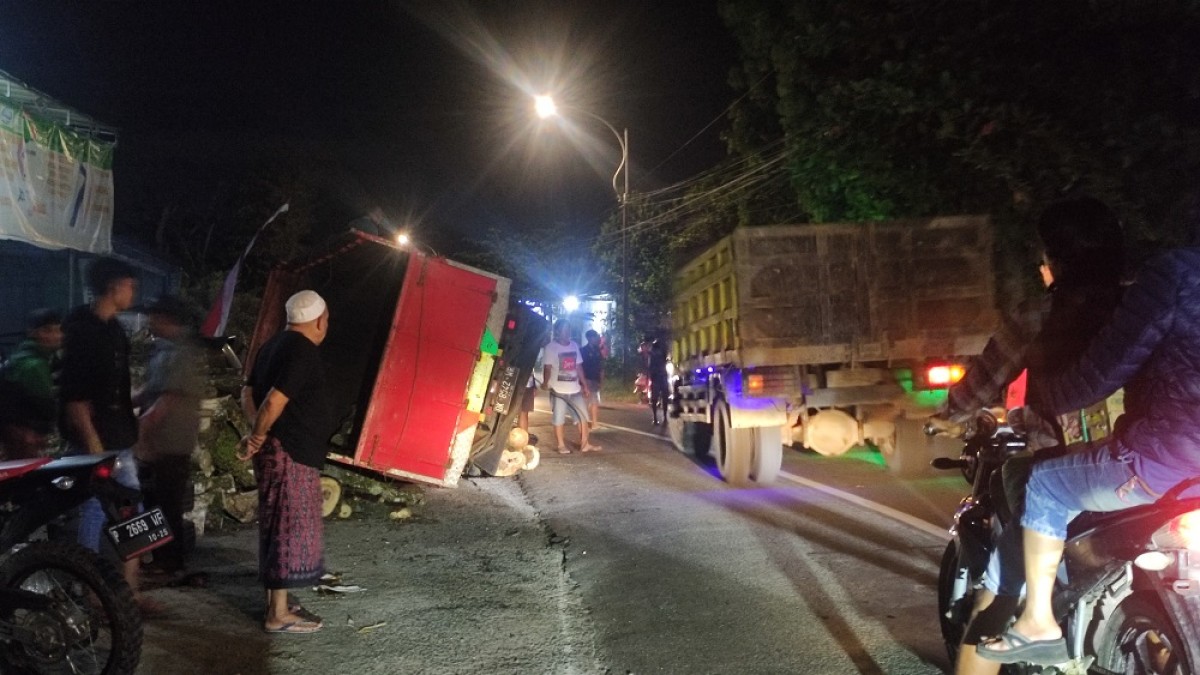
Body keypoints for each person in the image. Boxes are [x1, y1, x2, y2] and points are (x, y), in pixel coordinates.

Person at [978, 206, 1200, 665]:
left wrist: (1045, 399)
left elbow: (1102, 372)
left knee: (1043, 485)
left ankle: (1036, 622)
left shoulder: (1173, 275)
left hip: (1164, 460)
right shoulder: (1129, 290)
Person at [939, 197, 1125, 674]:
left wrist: (949, 415)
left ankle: (1032, 623)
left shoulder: (1040, 315)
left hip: (1073, 476)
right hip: (1153, 473)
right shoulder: (1141, 309)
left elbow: (983, 379)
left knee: (996, 597)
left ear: (1055, 263)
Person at [59, 258, 154, 609]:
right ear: (114, 286)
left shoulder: (113, 330)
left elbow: (114, 390)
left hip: (118, 440)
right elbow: (75, 400)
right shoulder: (83, 331)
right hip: (96, 443)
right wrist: (97, 451)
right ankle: (89, 591)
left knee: (134, 512)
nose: (134, 292)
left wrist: (132, 433)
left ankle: (129, 592)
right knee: (95, 512)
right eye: (130, 285)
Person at [239, 290, 334, 634]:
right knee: (284, 527)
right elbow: (273, 401)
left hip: (280, 449)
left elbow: (246, 394)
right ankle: (277, 614)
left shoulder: (271, 346)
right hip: (289, 452)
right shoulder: (302, 350)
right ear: (321, 320)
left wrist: (255, 433)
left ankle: (275, 602)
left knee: (276, 522)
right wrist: (259, 434)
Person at [133, 296, 206, 580]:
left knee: (167, 503)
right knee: (156, 501)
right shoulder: (165, 350)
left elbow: (168, 399)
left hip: (171, 440)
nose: (150, 322)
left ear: (167, 319)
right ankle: (162, 558)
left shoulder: (182, 353)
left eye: (154, 316)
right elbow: (151, 391)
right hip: (162, 440)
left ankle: (171, 562)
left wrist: (143, 429)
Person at [0, 308, 62, 460]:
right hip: (27, 435)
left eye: (58, 330)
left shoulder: (20, 357)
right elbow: (44, 405)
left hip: (15, 434)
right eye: (48, 331)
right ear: (32, 333)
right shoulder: (34, 365)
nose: (56, 336)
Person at [541, 319, 599, 454]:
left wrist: (584, 385)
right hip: (558, 390)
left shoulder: (574, 345)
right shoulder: (551, 347)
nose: (567, 332)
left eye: (568, 329)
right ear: (557, 331)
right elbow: (547, 368)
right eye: (564, 329)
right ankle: (561, 445)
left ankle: (585, 444)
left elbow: (578, 367)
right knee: (559, 418)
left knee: (583, 417)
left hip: (575, 389)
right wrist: (545, 382)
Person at [580, 330, 605, 430]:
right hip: (586, 379)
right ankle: (584, 422)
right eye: (595, 337)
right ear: (589, 338)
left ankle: (594, 422)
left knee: (594, 402)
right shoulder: (583, 351)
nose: (597, 339)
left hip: (595, 379)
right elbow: (579, 367)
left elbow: (601, 366)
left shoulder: (597, 350)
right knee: (586, 401)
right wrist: (582, 382)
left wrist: (601, 380)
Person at [647, 337, 670, 425]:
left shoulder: (652, 353)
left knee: (654, 398)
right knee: (665, 397)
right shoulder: (662, 352)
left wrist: (651, 376)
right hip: (662, 377)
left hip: (656, 378)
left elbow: (649, 367)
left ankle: (655, 418)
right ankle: (664, 417)